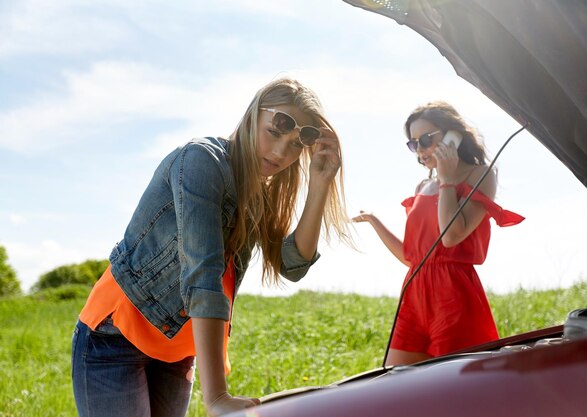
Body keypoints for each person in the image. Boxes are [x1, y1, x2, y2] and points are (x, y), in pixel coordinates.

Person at [71, 77, 352, 417]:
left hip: (177, 347)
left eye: (296, 145)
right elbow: (202, 274)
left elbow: (292, 264)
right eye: (275, 132)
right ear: (253, 115)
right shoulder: (201, 161)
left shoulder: (259, 193)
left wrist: (320, 184)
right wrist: (216, 396)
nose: (281, 153)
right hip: (116, 336)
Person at [352, 101, 524, 366]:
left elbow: (452, 236)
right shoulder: (422, 185)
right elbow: (414, 258)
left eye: (426, 139)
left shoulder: (480, 174)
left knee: (455, 389)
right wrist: (375, 223)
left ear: (452, 136)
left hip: (453, 296)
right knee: (395, 383)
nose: (420, 149)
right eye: (413, 144)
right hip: (414, 296)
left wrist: (447, 179)